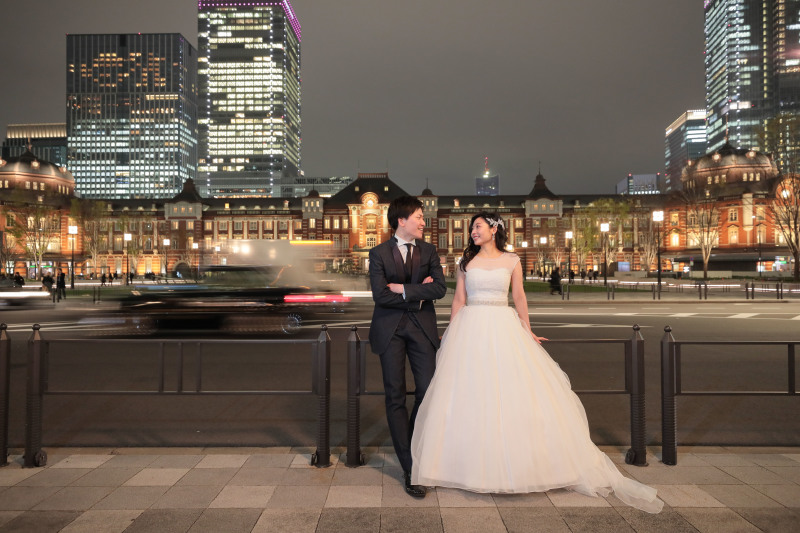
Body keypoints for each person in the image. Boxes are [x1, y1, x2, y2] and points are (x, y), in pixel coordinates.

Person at [410, 212, 663, 514]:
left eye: (477, 226)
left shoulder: (512, 260)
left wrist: (527, 329)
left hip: (503, 325)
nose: (472, 232)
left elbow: (518, 296)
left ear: (494, 229)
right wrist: (450, 332)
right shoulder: (466, 263)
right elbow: (459, 300)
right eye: (471, 228)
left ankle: (521, 464)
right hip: (471, 327)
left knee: (512, 392)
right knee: (471, 394)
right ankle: (464, 465)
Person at [368, 195, 447, 498]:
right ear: (401, 220)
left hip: (422, 331)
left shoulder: (428, 250)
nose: (423, 222)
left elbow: (439, 288)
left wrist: (401, 289)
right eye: (418, 217)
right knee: (395, 396)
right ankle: (409, 465)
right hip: (390, 331)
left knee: (427, 391)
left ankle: (411, 439)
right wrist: (419, 292)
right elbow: (379, 296)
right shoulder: (378, 253)